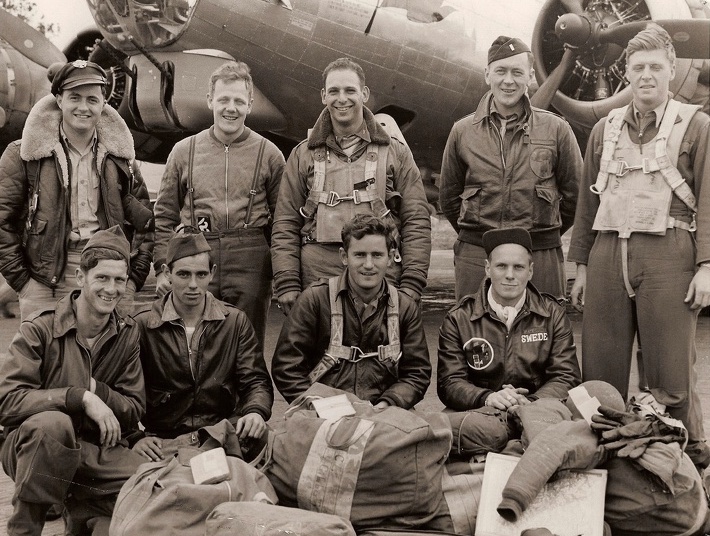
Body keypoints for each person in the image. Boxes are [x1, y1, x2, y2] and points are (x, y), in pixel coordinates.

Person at [568, 23, 710, 469]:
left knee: (670, 376)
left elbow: (709, 199)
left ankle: (688, 465)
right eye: (638, 67)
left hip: (669, 254)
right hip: (608, 254)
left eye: (655, 66)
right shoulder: (603, 130)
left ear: (672, 69)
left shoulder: (698, 126)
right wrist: (582, 267)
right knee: (599, 375)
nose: (646, 74)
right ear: (627, 73)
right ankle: (604, 471)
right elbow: (587, 206)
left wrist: (707, 266)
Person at [0, 226, 145, 536]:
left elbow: (133, 409)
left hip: (95, 449)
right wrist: (79, 396)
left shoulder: (127, 333)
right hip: (33, 450)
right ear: (81, 278)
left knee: (149, 480)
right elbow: (8, 402)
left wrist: (100, 391)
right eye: (102, 278)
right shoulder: (40, 327)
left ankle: (82, 515)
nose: (111, 289)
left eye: (119, 280)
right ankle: (24, 530)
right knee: (53, 425)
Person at [271, 57, 431, 315]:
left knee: (382, 352)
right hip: (318, 275)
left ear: (364, 94)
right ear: (324, 96)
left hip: (380, 273)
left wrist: (413, 282)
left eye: (350, 90)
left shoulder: (395, 152)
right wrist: (287, 282)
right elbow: (286, 222)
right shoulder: (303, 155)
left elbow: (417, 221)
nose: (341, 98)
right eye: (333, 91)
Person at [0, 60, 154, 320]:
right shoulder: (23, 154)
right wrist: (24, 282)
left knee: (109, 358)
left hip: (109, 276)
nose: (84, 107)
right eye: (75, 97)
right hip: (46, 279)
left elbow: (145, 222)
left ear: (103, 103)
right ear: (59, 100)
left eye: (92, 99)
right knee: (48, 359)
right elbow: (2, 220)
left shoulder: (121, 157)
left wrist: (131, 280)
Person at [439, 36, 582, 301]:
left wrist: (540, 234)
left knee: (543, 335)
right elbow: (448, 197)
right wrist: (478, 234)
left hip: (539, 253)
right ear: (487, 74)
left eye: (517, 72)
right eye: (500, 71)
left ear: (529, 77)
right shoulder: (462, 132)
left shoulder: (557, 129)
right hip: (477, 252)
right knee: (475, 335)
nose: (508, 80)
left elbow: (576, 195)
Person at [152, 61, 284, 345]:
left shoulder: (270, 153)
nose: (230, 108)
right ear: (210, 100)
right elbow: (163, 215)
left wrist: (283, 272)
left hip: (250, 257)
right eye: (223, 99)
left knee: (247, 346)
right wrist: (162, 265)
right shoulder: (183, 151)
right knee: (194, 343)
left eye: (239, 101)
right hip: (195, 252)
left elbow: (283, 221)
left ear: (250, 104)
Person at [131, 231, 273, 462]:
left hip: (221, 434)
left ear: (212, 274)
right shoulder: (143, 325)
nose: (193, 285)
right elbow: (124, 389)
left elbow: (256, 381)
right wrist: (135, 437)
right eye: (184, 274)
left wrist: (255, 411)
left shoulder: (234, 321)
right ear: (167, 273)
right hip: (162, 440)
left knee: (270, 446)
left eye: (201, 274)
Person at [271, 213, 431, 409]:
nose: (369, 265)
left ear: (390, 258)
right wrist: (317, 406)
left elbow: (417, 373)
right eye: (360, 255)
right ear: (344, 257)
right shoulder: (314, 300)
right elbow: (286, 368)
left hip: (385, 411)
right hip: (322, 412)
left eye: (377, 255)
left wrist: (388, 403)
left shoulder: (405, 308)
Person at [437, 227, 580, 411]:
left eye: (518, 267)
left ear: (530, 271)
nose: (510, 275)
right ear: (488, 268)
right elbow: (449, 382)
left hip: (538, 410)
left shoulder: (553, 314)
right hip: (481, 411)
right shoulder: (459, 319)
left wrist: (531, 402)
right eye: (501, 266)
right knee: (452, 427)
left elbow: (567, 376)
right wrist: (489, 398)